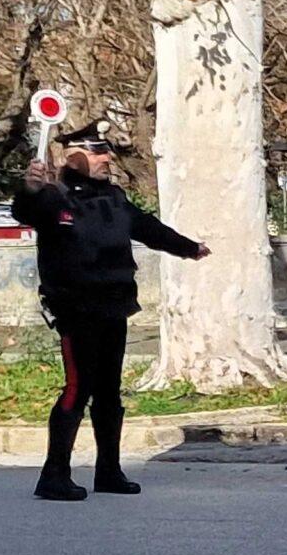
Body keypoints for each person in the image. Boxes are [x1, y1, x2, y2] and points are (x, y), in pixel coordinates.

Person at [11, 126, 210, 502]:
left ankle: (109, 471)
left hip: (113, 305)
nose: (106, 159)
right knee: (77, 388)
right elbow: (25, 211)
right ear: (72, 157)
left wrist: (189, 248)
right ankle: (54, 475)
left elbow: (148, 228)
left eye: (106, 152)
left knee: (109, 393)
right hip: (75, 308)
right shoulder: (55, 197)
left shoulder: (114, 198)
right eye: (96, 152)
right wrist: (30, 189)